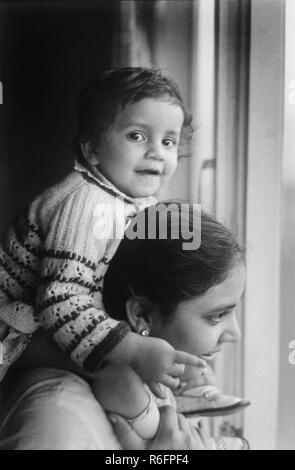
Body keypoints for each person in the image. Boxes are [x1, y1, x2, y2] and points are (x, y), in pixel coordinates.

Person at [0, 68, 247, 434]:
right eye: (137, 136)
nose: (156, 152)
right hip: (21, 329)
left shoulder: (134, 199)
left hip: (56, 319)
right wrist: (134, 349)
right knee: (119, 373)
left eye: (169, 141)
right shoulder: (85, 204)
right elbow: (59, 299)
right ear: (92, 149)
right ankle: (152, 430)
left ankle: (180, 390)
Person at [0, 204, 249, 450]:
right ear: (142, 315)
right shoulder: (58, 419)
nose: (235, 334)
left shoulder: (148, 384)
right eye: (217, 316)